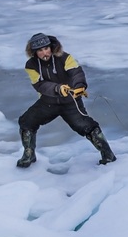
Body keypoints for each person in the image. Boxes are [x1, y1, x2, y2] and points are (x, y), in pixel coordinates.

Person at [16, 33, 116, 168]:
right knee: (26, 121)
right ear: (34, 52)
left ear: (51, 47)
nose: (44, 52)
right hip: (48, 102)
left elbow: (76, 72)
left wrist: (79, 86)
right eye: (40, 50)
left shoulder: (65, 57)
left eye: (46, 48)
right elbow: (39, 85)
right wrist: (58, 88)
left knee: (86, 126)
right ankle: (29, 155)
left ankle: (108, 155)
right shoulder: (31, 65)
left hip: (70, 102)